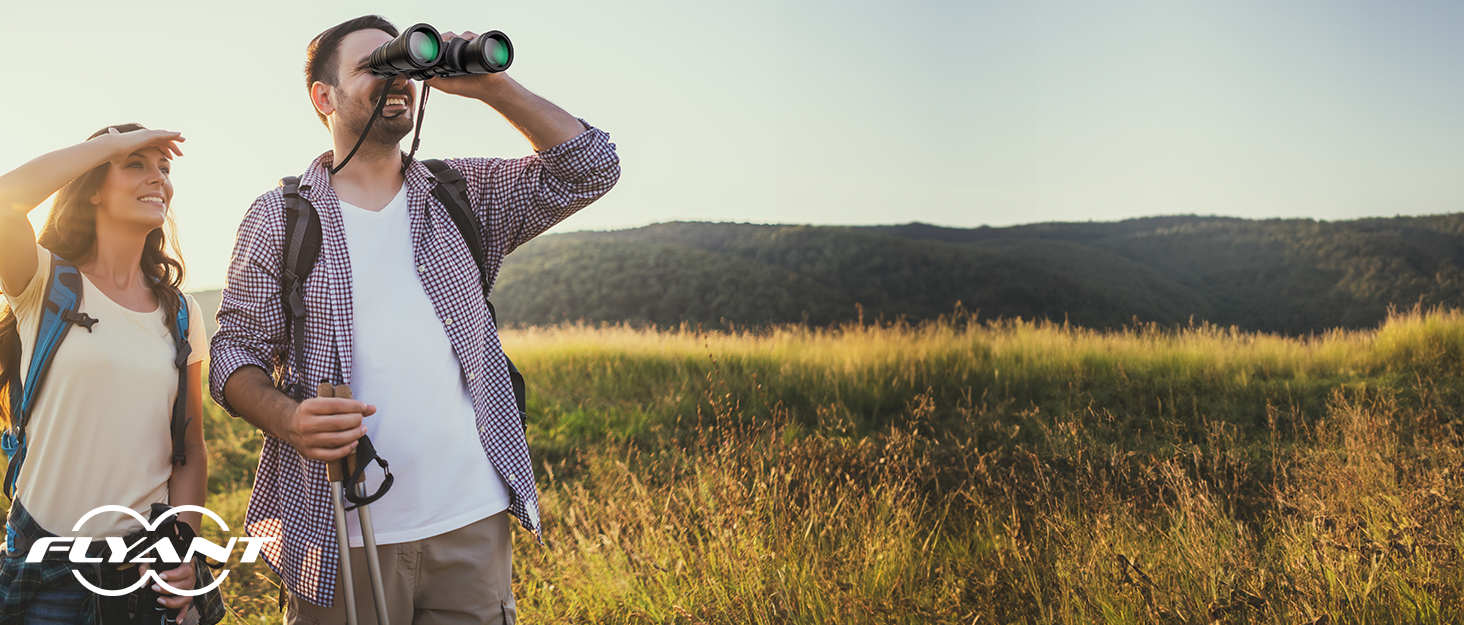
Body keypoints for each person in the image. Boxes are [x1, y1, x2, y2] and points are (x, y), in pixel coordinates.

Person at [209, 15, 620, 624]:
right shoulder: (279, 218)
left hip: (472, 521)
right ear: (323, 97)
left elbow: (591, 168)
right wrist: (290, 419)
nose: (395, 77)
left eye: (401, 64)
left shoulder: (465, 192)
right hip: (343, 530)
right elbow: (232, 354)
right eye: (373, 67)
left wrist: (493, 87)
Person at [0, 125, 222, 624]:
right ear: (93, 186)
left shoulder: (182, 314)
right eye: (135, 164)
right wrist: (105, 145)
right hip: (46, 566)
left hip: (141, 572)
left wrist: (184, 551)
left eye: (164, 169)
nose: (158, 179)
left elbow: (188, 449)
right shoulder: (45, 283)